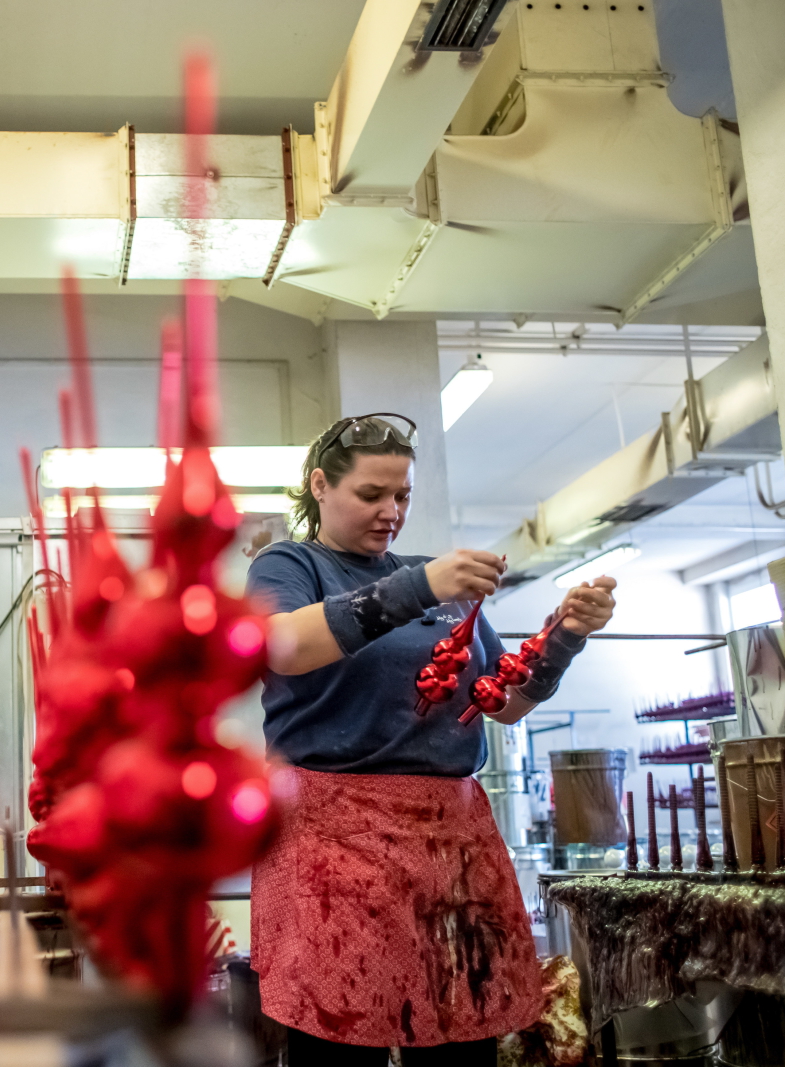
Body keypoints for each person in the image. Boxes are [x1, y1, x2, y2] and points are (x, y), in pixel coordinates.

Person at [244, 413, 617, 1066]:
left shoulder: (436, 581)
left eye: (403, 495)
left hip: (449, 842)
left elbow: (503, 701)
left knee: (460, 1038)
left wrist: (564, 637)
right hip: (331, 839)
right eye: (371, 494)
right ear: (321, 485)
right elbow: (284, 645)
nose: (391, 511)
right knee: (338, 1035)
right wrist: (420, 585)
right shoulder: (291, 564)